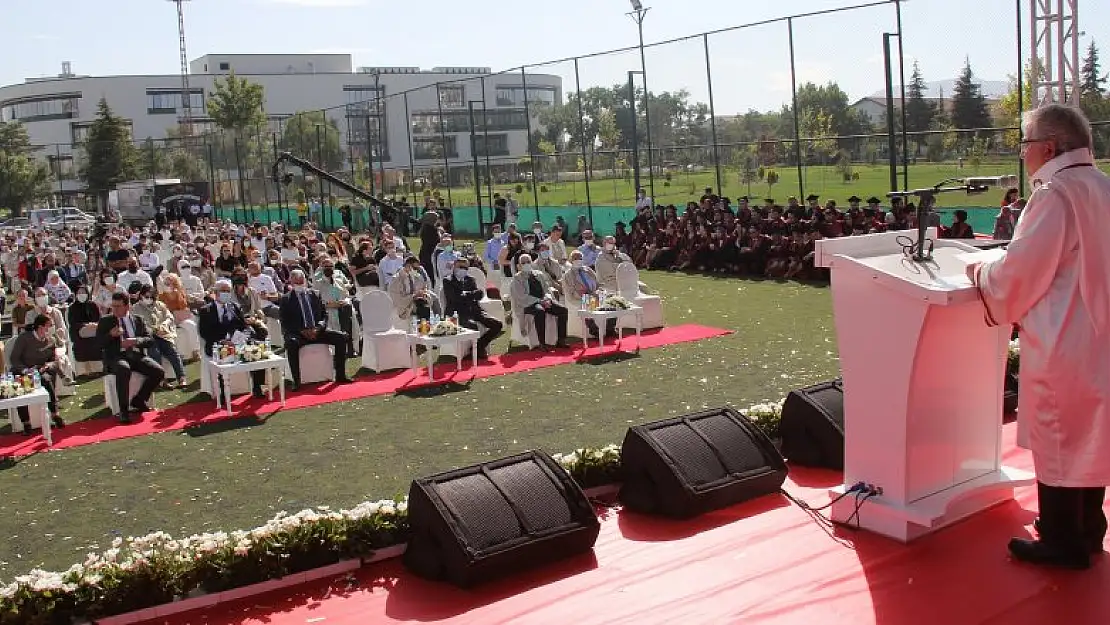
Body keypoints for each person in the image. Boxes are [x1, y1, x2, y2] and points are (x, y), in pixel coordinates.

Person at [967, 104, 1110, 570]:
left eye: (1025, 143)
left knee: (1060, 435)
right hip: (1097, 334)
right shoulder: (1101, 186)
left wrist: (981, 270)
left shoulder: (1055, 194)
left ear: (1048, 148)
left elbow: (1021, 273)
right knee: (1090, 435)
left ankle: (1062, 540)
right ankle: (1089, 529)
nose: (1023, 152)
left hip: (1064, 337)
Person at [97, 292, 165, 424]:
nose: (115, 309)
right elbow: (98, 344)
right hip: (116, 356)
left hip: (135, 355)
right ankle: (124, 410)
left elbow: (150, 340)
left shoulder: (137, 319)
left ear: (127, 306)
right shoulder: (105, 321)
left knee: (159, 371)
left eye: (118, 306)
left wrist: (135, 341)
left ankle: (139, 400)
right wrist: (110, 335)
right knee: (123, 368)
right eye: (113, 306)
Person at [278, 269, 351, 390]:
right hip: (299, 334)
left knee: (341, 337)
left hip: (317, 331)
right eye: (296, 282)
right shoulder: (286, 299)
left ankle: (340, 375)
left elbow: (324, 315)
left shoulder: (315, 294)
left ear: (305, 281)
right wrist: (302, 331)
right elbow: (285, 321)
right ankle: (296, 381)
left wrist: (318, 328)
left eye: (301, 281)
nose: (299, 284)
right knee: (291, 344)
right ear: (291, 282)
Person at [198, 280, 267, 397]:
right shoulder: (206, 310)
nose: (226, 293)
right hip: (218, 345)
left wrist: (243, 336)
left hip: (237, 343)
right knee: (224, 354)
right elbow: (204, 333)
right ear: (215, 292)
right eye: (223, 291)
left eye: (228, 291)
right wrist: (222, 341)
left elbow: (244, 326)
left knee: (255, 350)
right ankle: (223, 392)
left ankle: (257, 386)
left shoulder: (234, 307)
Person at [9, 315, 66, 434]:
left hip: (40, 371)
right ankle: (26, 423)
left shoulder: (51, 340)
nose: (51, 328)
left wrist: (47, 366)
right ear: (41, 327)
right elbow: (14, 359)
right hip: (24, 371)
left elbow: (53, 359)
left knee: (46, 378)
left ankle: (55, 415)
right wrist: (26, 370)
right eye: (49, 326)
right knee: (21, 387)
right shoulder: (24, 338)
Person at [442, 256, 502, 360]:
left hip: (474, 310)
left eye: (466, 268)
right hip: (458, 312)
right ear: (454, 267)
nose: (463, 270)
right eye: (461, 267)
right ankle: (476, 352)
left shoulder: (471, 279)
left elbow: (480, 294)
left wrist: (466, 294)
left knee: (497, 324)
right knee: (473, 326)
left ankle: (478, 348)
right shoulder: (448, 280)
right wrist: (471, 295)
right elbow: (455, 298)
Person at [132, 285, 187, 388]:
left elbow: (169, 317)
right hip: (148, 337)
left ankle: (181, 378)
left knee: (172, 351)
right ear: (141, 296)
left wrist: (163, 326)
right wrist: (154, 330)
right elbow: (138, 325)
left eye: (151, 297)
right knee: (155, 352)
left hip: (163, 335)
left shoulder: (160, 305)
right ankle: (161, 380)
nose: (149, 299)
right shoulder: (135, 308)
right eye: (146, 297)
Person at [510, 253, 568, 350]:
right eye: (523, 263)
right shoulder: (517, 279)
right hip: (528, 304)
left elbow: (546, 289)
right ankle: (542, 343)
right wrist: (539, 301)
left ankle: (561, 340)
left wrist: (547, 298)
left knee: (563, 310)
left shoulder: (539, 274)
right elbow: (521, 297)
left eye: (528, 262)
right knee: (540, 311)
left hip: (543, 300)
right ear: (519, 266)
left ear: (532, 263)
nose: (526, 264)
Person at [564, 250, 617, 339]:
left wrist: (600, 291)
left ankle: (610, 329)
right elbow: (571, 291)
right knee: (589, 304)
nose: (578, 260)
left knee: (612, 302)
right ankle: (594, 330)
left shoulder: (588, 270)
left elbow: (597, 283)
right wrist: (589, 295)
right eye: (575, 258)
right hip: (579, 297)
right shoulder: (568, 274)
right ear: (571, 260)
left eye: (580, 258)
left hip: (594, 294)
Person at [67, 285, 102, 367]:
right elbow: (72, 323)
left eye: (84, 292)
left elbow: (99, 319)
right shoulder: (72, 308)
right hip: (79, 332)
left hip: (94, 330)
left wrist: (94, 325)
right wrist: (85, 325)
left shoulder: (93, 305)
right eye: (79, 293)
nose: (81, 295)